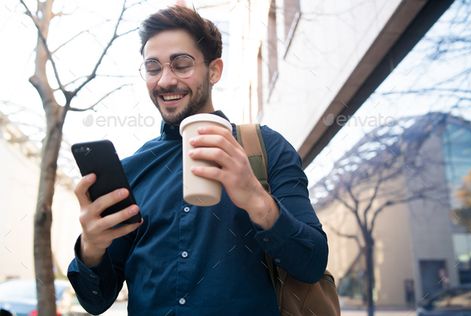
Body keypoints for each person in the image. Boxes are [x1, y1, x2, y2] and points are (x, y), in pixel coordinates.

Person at [67, 5, 328, 315]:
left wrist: (257, 200)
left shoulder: (266, 148)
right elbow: (95, 302)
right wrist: (91, 249)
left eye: (181, 64)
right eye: (153, 68)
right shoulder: (132, 170)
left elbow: (311, 264)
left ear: (214, 70)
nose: (165, 80)